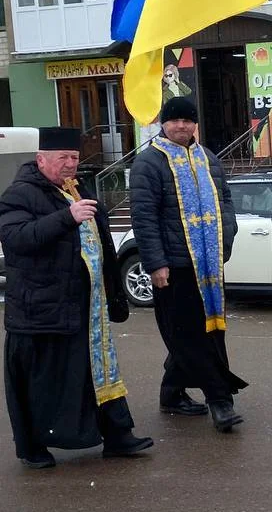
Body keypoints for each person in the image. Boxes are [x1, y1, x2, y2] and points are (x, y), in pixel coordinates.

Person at [0, 127, 152, 468]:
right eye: (62, 159)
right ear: (41, 160)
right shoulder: (20, 194)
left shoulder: (78, 188)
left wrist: (113, 291)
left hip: (85, 308)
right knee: (44, 383)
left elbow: (100, 246)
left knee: (100, 372)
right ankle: (34, 447)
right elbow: (17, 239)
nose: (70, 165)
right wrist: (66, 218)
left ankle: (117, 435)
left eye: (74, 158)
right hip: (41, 309)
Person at [129, 96, 246, 431]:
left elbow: (225, 201)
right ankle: (220, 400)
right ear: (163, 124)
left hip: (209, 263)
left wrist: (227, 237)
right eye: (174, 120)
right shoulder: (149, 163)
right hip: (174, 266)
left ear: (195, 124)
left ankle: (171, 392)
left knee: (209, 330)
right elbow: (144, 218)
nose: (181, 126)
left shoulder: (207, 157)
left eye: (187, 120)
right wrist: (155, 264)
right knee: (191, 335)